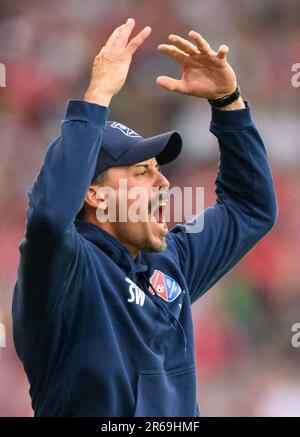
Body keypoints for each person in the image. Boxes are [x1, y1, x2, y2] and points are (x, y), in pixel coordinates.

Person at [13, 18, 277, 417]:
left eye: (158, 169)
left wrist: (229, 104)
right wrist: (97, 95)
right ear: (95, 194)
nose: (163, 182)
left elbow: (251, 208)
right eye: (141, 172)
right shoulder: (66, 271)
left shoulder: (170, 264)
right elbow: (50, 217)